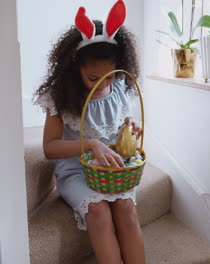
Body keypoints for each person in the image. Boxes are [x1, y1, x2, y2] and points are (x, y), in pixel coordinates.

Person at [34, 1, 145, 263]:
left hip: (112, 171)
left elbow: (119, 129)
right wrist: (91, 144)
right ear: (77, 69)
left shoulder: (119, 88)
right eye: (93, 78)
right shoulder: (62, 98)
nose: (102, 84)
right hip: (77, 172)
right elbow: (50, 148)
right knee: (98, 212)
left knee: (126, 208)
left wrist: (129, 131)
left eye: (108, 77)